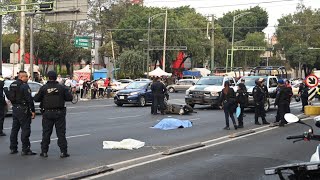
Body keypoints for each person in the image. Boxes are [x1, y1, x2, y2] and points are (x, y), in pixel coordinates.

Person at [34, 71, 73, 158]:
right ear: (56, 78)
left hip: (47, 113)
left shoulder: (44, 88)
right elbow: (70, 98)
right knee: (61, 133)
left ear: (48, 77)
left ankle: (44, 152)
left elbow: (36, 99)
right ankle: (63, 152)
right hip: (59, 113)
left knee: (46, 133)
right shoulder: (62, 87)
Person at [9, 71, 36, 155]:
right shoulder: (24, 86)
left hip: (15, 109)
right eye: (26, 76)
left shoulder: (12, 85)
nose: (27, 78)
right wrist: (33, 111)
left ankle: (13, 148)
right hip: (23, 109)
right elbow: (29, 99)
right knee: (25, 129)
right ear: (21, 77)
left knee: (14, 129)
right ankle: (25, 149)